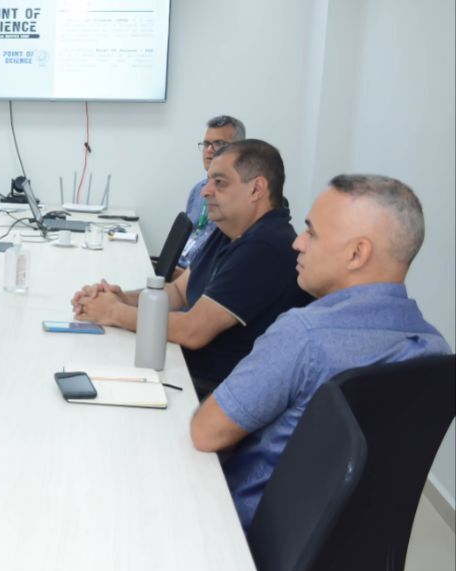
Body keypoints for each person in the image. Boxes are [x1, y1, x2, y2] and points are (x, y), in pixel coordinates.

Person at [189, 174, 450, 530]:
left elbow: (206, 433)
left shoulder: (305, 336)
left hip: (247, 538)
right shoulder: (435, 351)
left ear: (356, 253)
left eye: (312, 232)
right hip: (348, 551)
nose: (298, 243)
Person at [72, 139, 312, 394]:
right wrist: (124, 298)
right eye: (208, 181)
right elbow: (178, 292)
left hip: (213, 390)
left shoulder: (266, 246)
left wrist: (113, 312)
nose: (205, 191)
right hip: (184, 367)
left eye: (219, 182)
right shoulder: (230, 230)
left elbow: (193, 331)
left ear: (256, 189)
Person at [180, 115, 246, 271]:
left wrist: (187, 277)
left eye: (219, 144)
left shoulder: (239, 197)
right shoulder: (198, 190)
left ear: (240, 149)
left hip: (204, 278)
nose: (209, 150)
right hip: (180, 268)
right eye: (206, 144)